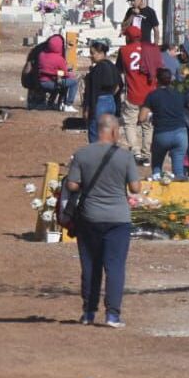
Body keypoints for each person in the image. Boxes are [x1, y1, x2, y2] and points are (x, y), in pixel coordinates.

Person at [66, 114, 141, 328]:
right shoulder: (125, 156)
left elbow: (72, 185)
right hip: (118, 218)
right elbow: (135, 188)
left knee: (90, 265)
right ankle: (113, 315)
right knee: (115, 266)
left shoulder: (82, 154)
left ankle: (89, 312)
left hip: (90, 217)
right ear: (115, 131)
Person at [139, 68, 189, 180]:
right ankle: (179, 194)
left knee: (157, 166)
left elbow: (142, 117)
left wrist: (150, 115)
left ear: (156, 80)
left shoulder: (153, 95)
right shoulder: (179, 94)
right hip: (180, 133)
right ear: (171, 80)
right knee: (179, 172)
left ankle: (157, 189)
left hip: (162, 134)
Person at [117, 25, 161, 165]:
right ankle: (146, 154)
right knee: (148, 125)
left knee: (129, 123)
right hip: (150, 94)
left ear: (128, 37)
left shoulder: (124, 51)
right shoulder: (152, 49)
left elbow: (119, 70)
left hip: (133, 93)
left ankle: (135, 151)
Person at [84, 41, 121, 143]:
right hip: (111, 101)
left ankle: (96, 157)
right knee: (109, 133)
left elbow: (93, 91)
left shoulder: (97, 69)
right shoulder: (112, 66)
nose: (91, 56)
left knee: (95, 133)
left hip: (99, 102)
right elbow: (118, 86)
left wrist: (88, 109)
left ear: (101, 53)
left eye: (93, 53)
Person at [37, 34, 78, 112]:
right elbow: (64, 74)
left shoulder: (41, 55)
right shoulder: (59, 59)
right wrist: (69, 73)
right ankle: (68, 104)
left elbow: (48, 69)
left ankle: (50, 103)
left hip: (42, 81)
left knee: (60, 82)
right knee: (74, 82)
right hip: (52, 83)